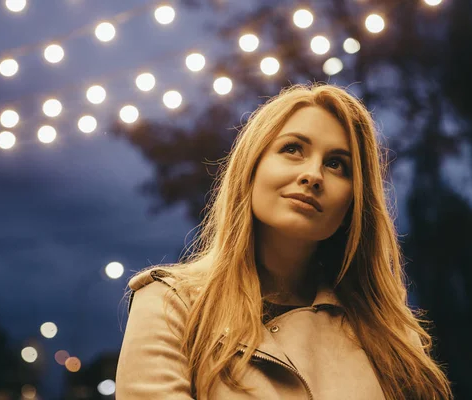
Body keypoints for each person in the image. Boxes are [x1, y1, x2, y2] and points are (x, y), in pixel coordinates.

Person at [115, 84, 452, 399]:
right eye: (293, 149)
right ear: (252, 166)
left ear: (354, 202)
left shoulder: (390, 337)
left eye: (336, 164)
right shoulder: (171, 305)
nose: (313, 174)